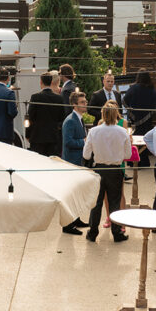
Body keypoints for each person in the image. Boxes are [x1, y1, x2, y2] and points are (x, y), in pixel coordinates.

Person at [83, 102, 131, 244]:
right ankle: (117, 233)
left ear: (102, 114)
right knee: (114, 201)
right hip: (115, 169)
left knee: (96, 202)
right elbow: (128, 155)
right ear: (116, 114)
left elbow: (86, 155)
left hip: (99, 169)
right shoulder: (123, 132)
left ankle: (92, 232)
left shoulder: (94, 131)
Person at [60, 91, 90, 235]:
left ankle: (76, 219)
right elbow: (68, 142)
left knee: (77, 193)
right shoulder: (70, 120)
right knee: (70, 195)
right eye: (83, 102)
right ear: (75, 104)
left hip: (78, 161)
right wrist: (84, 142)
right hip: (71, 162)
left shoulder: (80, 119)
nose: (85, 104)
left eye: (85, 101)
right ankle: (67, 225)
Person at [123, 70, 156, 167]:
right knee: (144, 140)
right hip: (147, 120)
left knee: (133, 141)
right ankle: (144, 162)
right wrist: (148, 115)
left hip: (134, 119)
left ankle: (132, 161)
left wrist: (130, 111)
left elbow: (124, 101)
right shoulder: (152, 89)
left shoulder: (133, 88)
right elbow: (154, 106)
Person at [26, 72, 65, 156]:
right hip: (53, 137)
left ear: (41, 82)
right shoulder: (59, 98)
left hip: (37, 137)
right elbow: (62, 118)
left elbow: (30, 117)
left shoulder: (35, 97)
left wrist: (28, 134)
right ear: (51, 82)